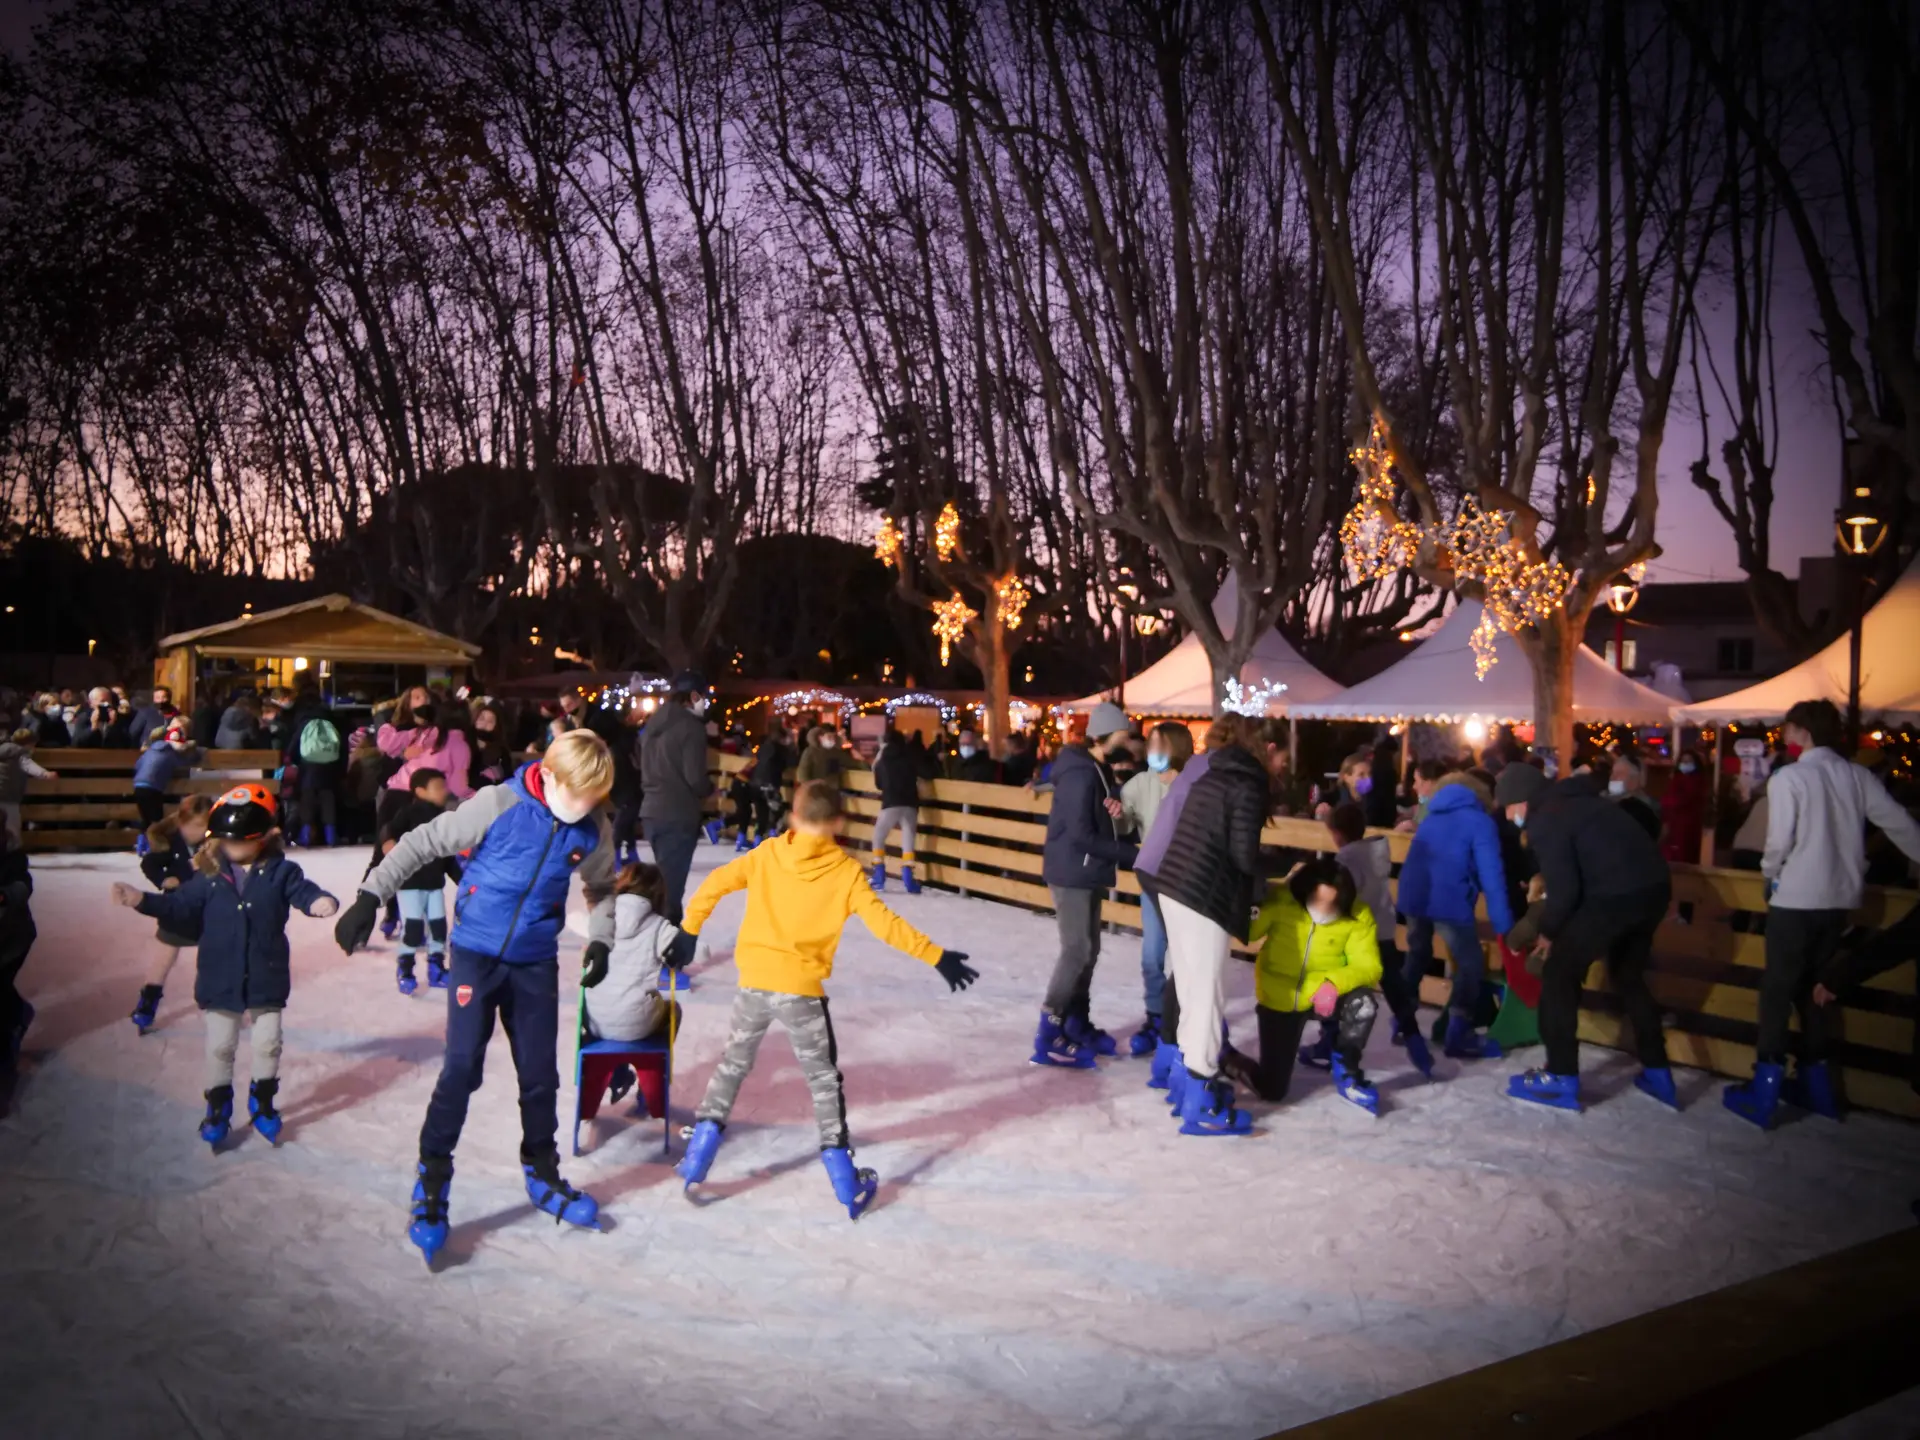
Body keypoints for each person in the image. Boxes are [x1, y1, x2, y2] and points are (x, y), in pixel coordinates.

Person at [333, 728, 621, 1261]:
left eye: (595, 798)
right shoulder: (499, 803)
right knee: (461, 1068)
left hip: (533, 960)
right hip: (475, 954)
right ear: (552, 777)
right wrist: (371, 896)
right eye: (578, 794)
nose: (585, 807)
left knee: (540, 1076)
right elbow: (421, 842)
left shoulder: (592, 827)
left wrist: (601, 940)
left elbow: (602, 887)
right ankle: (432, 1181)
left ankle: (543, 1172)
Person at [671, 779, 976, 1217]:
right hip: (801, 993)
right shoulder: (845, 871)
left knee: (732, 1066)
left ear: (793, 816)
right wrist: (936, 956)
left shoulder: (768, 854)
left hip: (754, 983)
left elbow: (716, 882)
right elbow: (885, 923)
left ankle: (698, 1157)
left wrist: (689, 928)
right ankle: (843, 1178)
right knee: (823, 1082)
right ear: (838, 821)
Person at [1723, 698, 1920, 1128]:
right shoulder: (1857, 775)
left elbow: (1778, 843)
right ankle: (1817, 1085)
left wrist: (1770, 875)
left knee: (1777, 991)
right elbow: (1898, 823)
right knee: (1815, 990)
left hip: (1796, 898)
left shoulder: (1790, 778)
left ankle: (1765, 1087)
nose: (1785, 736)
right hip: (1841, 900)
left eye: (1789, 728)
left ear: (1803, 731)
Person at [111, 784, 339, 1148]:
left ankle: (262, 1101)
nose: (232, 849)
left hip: (266, 974)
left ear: (264, 837)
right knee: (220, 1047)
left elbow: (304, 891)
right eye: (227, 841)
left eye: (242, 841)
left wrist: (318, 901)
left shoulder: (282, 872)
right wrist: (141, 900)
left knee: (268, 1045)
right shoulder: (209, 875)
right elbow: (178, 907)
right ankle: (218, 1106)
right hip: (221, 976)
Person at [1494, 762, 1675, 1113]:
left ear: (1521, 800)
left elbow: (1565, 889)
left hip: (1614, 897)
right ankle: (1657, 1071)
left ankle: (1560, 1075)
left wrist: (1548, 932)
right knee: (1628, 976)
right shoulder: (1581, 802)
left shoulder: (1547, 818)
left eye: (1509, 807)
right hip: (1652, 891)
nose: (1509, 816)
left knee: (1558, 972)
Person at [1138, 714, 1273, 1135]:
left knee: (1190, 986)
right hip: (1202, 895)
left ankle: (1184, 1081)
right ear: (1259, 747)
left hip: (1174, 885)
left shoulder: (1210, 772)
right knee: (1207, 994)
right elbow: (1243, 857)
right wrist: (1287, 867)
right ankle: (1200, 1095)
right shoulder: (1247, 782)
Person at [1222, 857, 1386, 1113]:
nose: (1323, 909)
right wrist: (1256, 899)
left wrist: (1333, 984)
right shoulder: (1282, 901)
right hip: (1281, 997)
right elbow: (1248, 933)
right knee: (1272, 1090)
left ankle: (1347, 1068)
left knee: (1363, 1003)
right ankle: (1229, 1059)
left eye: (1332, 904)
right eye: (1317, 901)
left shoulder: (1358, 915)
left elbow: (1369, 966)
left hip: (1325, 995)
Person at [1033, 702, 1139, 1067]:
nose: (1128, 740)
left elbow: (1092, 820)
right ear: (1106, 736)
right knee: (1076, 950)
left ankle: (1076, 1022)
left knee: (1089, 951)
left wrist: (1112, 813)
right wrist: (1129, 854)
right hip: (1073, 871)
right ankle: (1049, 1031)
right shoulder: (1081, 773)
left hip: (1086, 869)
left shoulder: (1096, 769)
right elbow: (1078, 834)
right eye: (1123, 734)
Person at [1394, 770, 1513, 1059]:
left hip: (1414, 896)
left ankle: (1401, 1020)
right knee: (1470, 963)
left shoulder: (1431, 816)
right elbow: (1492, 877)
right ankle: (1459, 1031)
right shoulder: (1480, 822)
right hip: (1449, 901)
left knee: (1418, 955)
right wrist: (1504, 925)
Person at [1311, 801, 1432, 1078]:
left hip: (1356, 937)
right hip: (1384, 931)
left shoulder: (1348, 859)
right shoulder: (1375, 854)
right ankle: (1414, 1039)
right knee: (1394, 986)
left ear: (1337, 834)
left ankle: (1328, 1041)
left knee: (1332, 985)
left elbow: (1344, 897)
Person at [1117, 722, 1194, 1057]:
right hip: (1152, 881)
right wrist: (1117, 816)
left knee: (1183, 956)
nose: (1153, 752)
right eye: (1150, 746)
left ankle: (1183, 1018)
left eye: (1160, 746)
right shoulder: (1140, 784)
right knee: (1152, 955)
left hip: (1186, 881)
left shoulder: (1194, 784)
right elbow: (1125, 822)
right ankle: (1155, 1015)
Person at [128, 793, 214, 1035]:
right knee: (164, 956)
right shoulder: (169, 841)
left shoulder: (216, 843)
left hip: (209, 910)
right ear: (181, 822)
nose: (198, 831)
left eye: (204, 826)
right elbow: (149, 864)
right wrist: (164, 879)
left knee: (215, 957)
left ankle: (218, 1001)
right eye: (194, 826)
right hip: (177, 908)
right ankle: (147, 1003)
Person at [639, 671, 716, 924]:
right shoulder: (691, 728)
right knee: (671, 891)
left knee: (663, 885)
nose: (704, 702)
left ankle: (658, 944)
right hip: (678, 814)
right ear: (693, 695)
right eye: (703, 696)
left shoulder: (653, 725)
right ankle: (667, 952)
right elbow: (695, 778)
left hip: (651, 811)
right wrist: (710, 788)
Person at [378, 768, 460, 996]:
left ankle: (436, 967)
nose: (445, 791)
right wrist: (388, 842)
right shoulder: (409, 812)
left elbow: (447, 854)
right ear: (420, 791)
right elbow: (388, 829)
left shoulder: (444, 818)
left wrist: (462, 879)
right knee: (413, 929)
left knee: (438, 927)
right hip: (411, 884)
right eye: (439, 787)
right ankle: (405, 970)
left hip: (434, 884)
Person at [580, 862, 678, 1043]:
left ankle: (602, 1068)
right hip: (637, 1024)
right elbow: (696, 951)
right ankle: (655, 1067)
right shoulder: (659, 926)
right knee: (673, 1009)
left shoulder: (602, 918)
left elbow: (574, 920)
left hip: (594, 1021)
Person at [283, 683, 345, 847]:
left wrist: (297, 762)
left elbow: (292, 748)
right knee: (328, 801)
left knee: (307, 801)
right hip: (330, 767)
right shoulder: (331, 718)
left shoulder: (303, 720)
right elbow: (342, 746)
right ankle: (331, 836)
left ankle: (306, 836)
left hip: (308, 768)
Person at [869, 728, 926, 894]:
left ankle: (879, 875)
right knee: (908, 839)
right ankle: (908, 878)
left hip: (891, 803)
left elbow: (879, 784)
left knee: (878, 837)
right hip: (910, 804)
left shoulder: (883, 759)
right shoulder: (909, 757)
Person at [0, 821, 36, 1072]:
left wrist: (3, 896)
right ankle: (19, 1012)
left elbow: (23, 886)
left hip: (11, 941)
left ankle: (4, 1061)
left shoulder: (11, 857)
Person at [132, 722, 197, 830]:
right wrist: (195, 753)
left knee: (146, 819)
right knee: (157, 820)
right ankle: (156, 844)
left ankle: (143, 843)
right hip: (154, 788)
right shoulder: (170, 754)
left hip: (138, 785)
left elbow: (137, 765)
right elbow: (184, 763)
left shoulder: (151, 750)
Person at [0, 729, 54, 841]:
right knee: (12, 829)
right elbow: (28, 765)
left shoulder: (2, 751)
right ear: (29, 744)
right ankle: (12, 854)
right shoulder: (19, 753)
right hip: (8, 796)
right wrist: (45, 774)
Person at [747, 719, 794, 846]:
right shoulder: (781, 749)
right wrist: (790, 746)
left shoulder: (764, 746)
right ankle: (773, 835)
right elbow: (792, 762)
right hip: (770, 784)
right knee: (778, 810)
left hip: (755, 784)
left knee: (761, 814)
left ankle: (757, 839)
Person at [1660, 748, 1710, 866]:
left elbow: (1679, 801)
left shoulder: (1696, 782)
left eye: (1689, 761)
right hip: (1674, 827)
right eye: (1683, 761)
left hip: (1687, 826)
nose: (1685, 764)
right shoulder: (1675, 781)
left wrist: (1664, 802)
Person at [1606, 753, 1662, 842]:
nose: (1613, 778)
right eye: (1612, 773)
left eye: (1619, 774)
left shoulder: (1648, 810)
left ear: (1635, 780)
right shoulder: (1603, 804)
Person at [795, 723, 850, 794]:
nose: (832, 739)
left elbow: (850, 762)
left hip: (833, 792)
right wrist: (816, 784)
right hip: (815, 794)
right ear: (820, 737)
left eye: (834, 737)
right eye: (829, 737)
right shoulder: (810, 752)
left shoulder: (835, 752)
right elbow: (802, 776)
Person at [128, 687, 178, 751]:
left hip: (170, 751)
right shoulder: (145, 712)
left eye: (164, 697)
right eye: (157, 698)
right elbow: (133, 732)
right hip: (148, 750)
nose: (161, 700)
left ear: (169, 699)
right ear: (153, 699)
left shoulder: (176, 714)